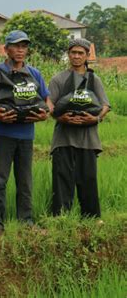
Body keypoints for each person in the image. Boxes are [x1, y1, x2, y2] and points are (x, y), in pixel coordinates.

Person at [0, 30, 52, 236]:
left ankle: (26, 222)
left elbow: (48, 101)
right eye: (16, 46)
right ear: (6, 49)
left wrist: (45, 115)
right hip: (3, 135)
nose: (20, 50)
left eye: (24, 46)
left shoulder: (35, 74)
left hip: (26, 136)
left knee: (25, 181)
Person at [49, 38, 110, 218]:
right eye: (73, 53)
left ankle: (91, 219)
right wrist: (61, 117)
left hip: (88, 140)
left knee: (88, 181)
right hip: (63, 139)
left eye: (80, 53)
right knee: (61, 181)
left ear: (87, 55)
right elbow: (49, 105)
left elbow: (105, 105)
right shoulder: (58, 79)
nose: (76, 56)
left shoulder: (94, 79)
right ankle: (61, 219)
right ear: (68, 55)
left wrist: (96, 118)